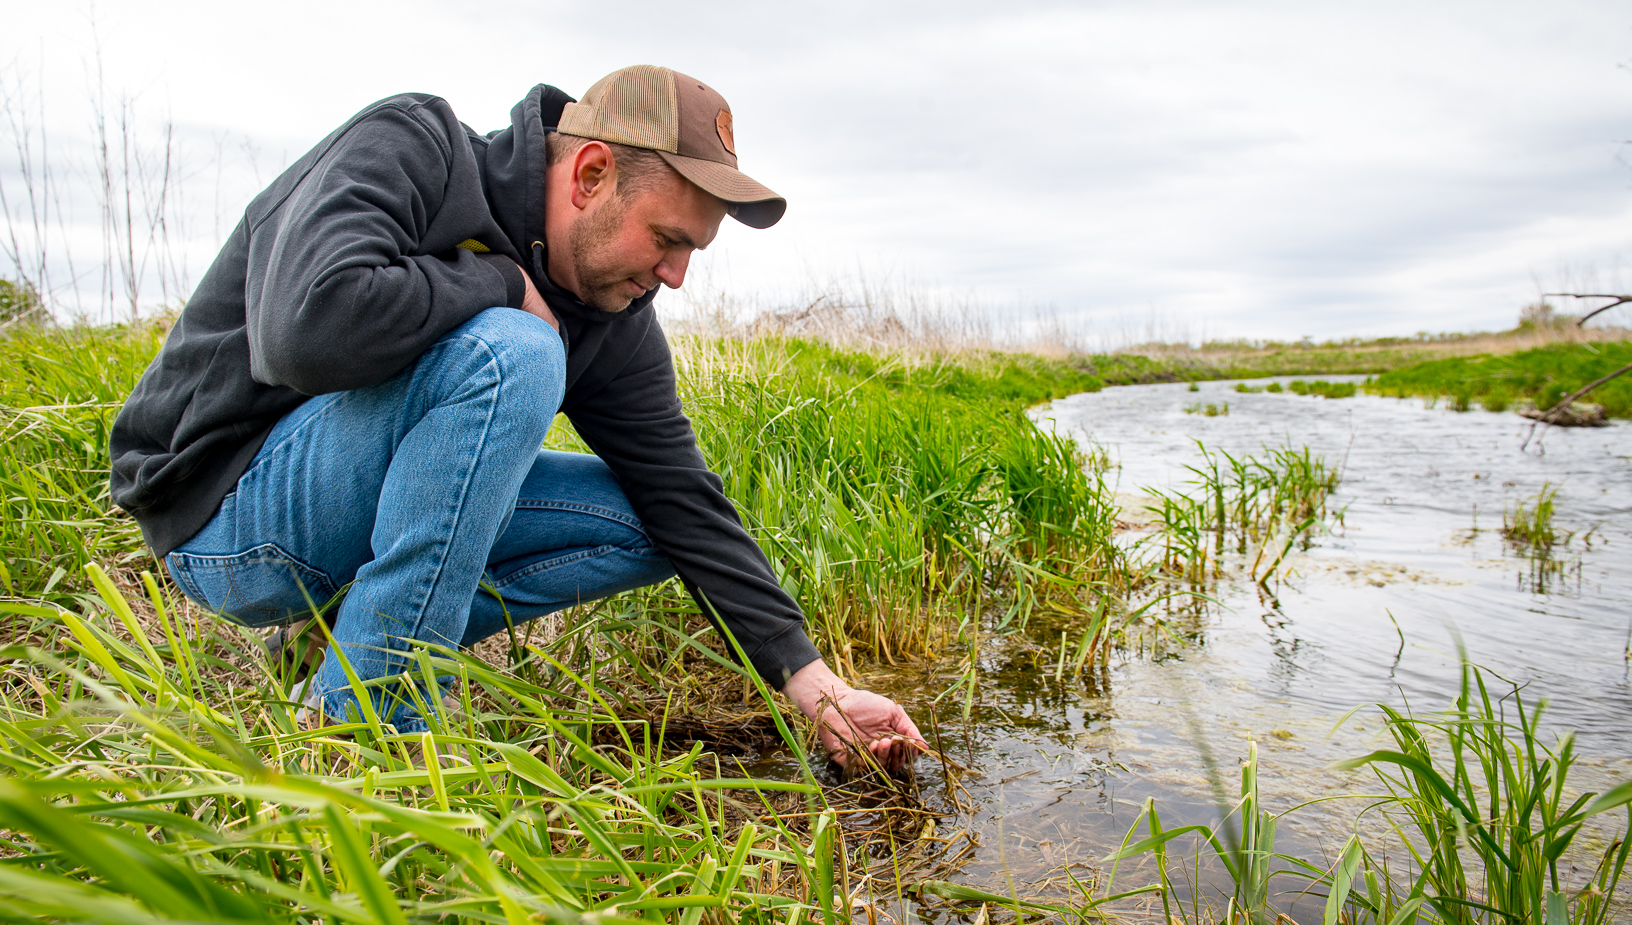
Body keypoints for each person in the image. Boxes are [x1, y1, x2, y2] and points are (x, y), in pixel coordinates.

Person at [109, 65, 926, 770]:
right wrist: (500, 287)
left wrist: (820, 689)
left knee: (654, 521)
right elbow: (301, 331)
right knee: (517, 352)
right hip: (224, 513)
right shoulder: (416, 147)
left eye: (693, 255)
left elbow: (687, 500)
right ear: (591, 174)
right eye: (669, 239)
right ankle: (362, 738)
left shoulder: (615, 314)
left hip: (336, 506)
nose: (676, 276)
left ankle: (339, 636)